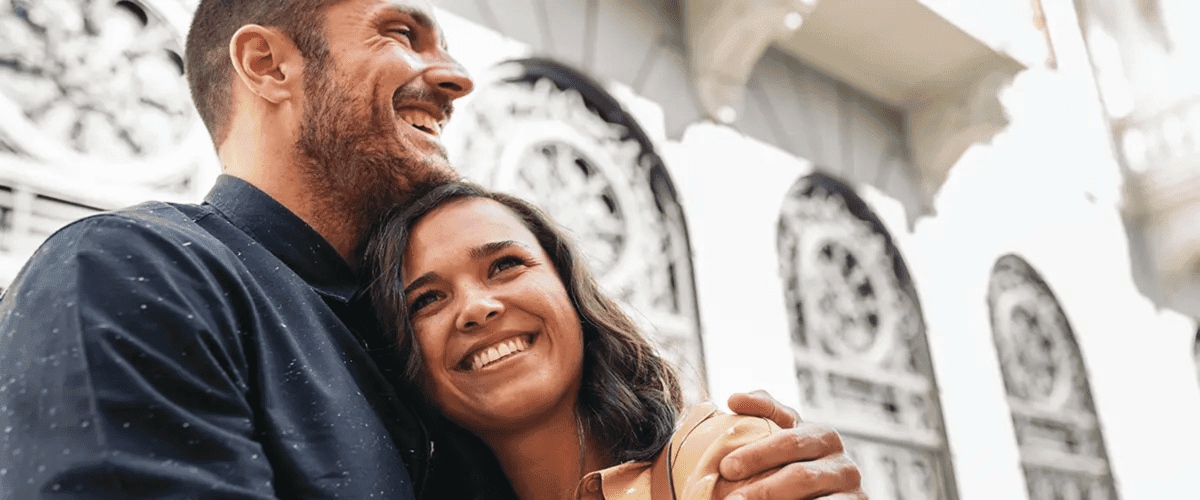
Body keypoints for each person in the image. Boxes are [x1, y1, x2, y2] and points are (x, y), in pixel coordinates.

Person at [0, 0, 865, 498]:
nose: (454, 78)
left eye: (503, 268)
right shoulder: (132, 275)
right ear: (267, 65)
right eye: (399, 32)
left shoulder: (437, 369)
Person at [362, 181, 862, 500]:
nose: (475, 308)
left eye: (505, 265)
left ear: (573, 296)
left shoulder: (722, 459)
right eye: (426, 300)